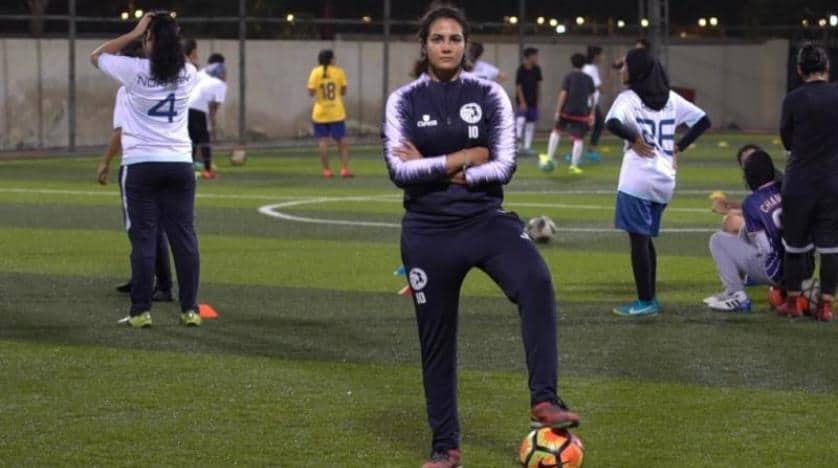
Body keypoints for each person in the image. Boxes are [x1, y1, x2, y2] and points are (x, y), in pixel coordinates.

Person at [383, 5, 579, 467]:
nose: (447, 46)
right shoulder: (404, 101)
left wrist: (440, 169)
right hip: (427, 232)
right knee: (436, 340)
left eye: (454, 38)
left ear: (466, 45)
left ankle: (544, 399)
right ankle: (445, 446)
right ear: (424, 45)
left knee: (535, 280)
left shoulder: (490, 96)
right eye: (438, 39)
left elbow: (503, 164)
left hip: (486, 220)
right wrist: (463, 157)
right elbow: (398, 170)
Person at [91, 11, 202, 328]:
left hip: (141, 164)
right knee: (185, 238)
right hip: (179, 163)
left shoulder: (134, 70)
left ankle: (140, 311)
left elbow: (96, 55)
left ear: (149, 40)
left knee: (143, 239)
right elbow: (174, 60)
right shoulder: (189, 72)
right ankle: (189, 309)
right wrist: (167, 35)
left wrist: (134, 32)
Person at [605, 47, 711, 317]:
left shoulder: (628, 98)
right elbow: (703, 121)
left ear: (637, 71)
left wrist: (634, 138)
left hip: (637, 178)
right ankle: (649, 297)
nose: (622, 70)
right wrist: (679, 147)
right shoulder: (671, 99)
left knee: (638, 242)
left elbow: (612, 123)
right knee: (645, 240)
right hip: (664, 180)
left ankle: (645, 301)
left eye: (626, 66)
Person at [96, 40, 173, 302]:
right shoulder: (167, 80)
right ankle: (152, 280)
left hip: (138, 164)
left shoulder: (127, 89)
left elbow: (120, 132)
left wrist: (105, 161)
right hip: (169, 159)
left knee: (139, 228)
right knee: (157, 227)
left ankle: (157, 287)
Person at [776, 43, 838, 321]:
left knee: (794, 246)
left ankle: (792, 303)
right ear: (827, 68)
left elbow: (786, 138)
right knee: (831, 247)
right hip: (832, 181)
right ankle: (826, 305)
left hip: (799, 181)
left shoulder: (793, 99)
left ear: (800, 70)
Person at [705, 150, 784, 312]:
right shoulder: (785, 189)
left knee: (718, 240)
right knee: (744, 229)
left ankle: (736, 294)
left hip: (776, 272)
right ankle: (732, 290)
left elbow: (765, 249)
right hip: (802, 266)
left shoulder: (751, 202)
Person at [541, 53, 595, 175]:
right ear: (584, 64)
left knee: (556, 131)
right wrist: (592, 114)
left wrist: (558, 111)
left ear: (572, 63)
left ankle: (549, 157)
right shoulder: (588, 79)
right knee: (579, 139)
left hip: (567, 111)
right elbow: (592, 98)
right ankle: (574, 166)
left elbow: (563, 94)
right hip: (582, 113)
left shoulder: (569, 77)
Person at [307, 49, 352, 179]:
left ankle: (327, 170)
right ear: (331, 59)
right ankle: (344, 169)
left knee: (323, 142)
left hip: (320, 112)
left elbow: (311, 92)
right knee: (342, 142)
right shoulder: (339, 72)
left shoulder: (315, 72)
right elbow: (343, 91)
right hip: (336, 112)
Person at [188, 54, 227, 179]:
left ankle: (189, 170)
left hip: (185, 108)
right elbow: (214, 106)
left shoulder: (202, 75)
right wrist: (212, 123)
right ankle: (208, 170)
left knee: (192, 140)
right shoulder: (220, 84)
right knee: (204, 140)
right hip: (198, 110)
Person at [515, 46, 542, 156]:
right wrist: (522, 102)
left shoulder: (537, 69)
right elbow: (518, 86)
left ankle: (527, 147)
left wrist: (539, 101)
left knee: (530, 124)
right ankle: (516, 146)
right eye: (535, 56)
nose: (537, 58)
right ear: (529, 57)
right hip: (523, 101)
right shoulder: (521, 69)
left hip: (533, 101)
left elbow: (538, 86)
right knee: (520, 121)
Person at [582, 45, 605, 162]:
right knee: (598, 125)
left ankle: (585, 150)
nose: (603, 57)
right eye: (601, 54)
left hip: (589, 103)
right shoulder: (591, 69)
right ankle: (588, 151)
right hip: (589, 103)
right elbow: (600, 88)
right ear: (596, 56)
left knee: (587, 126)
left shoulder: (587, 67)